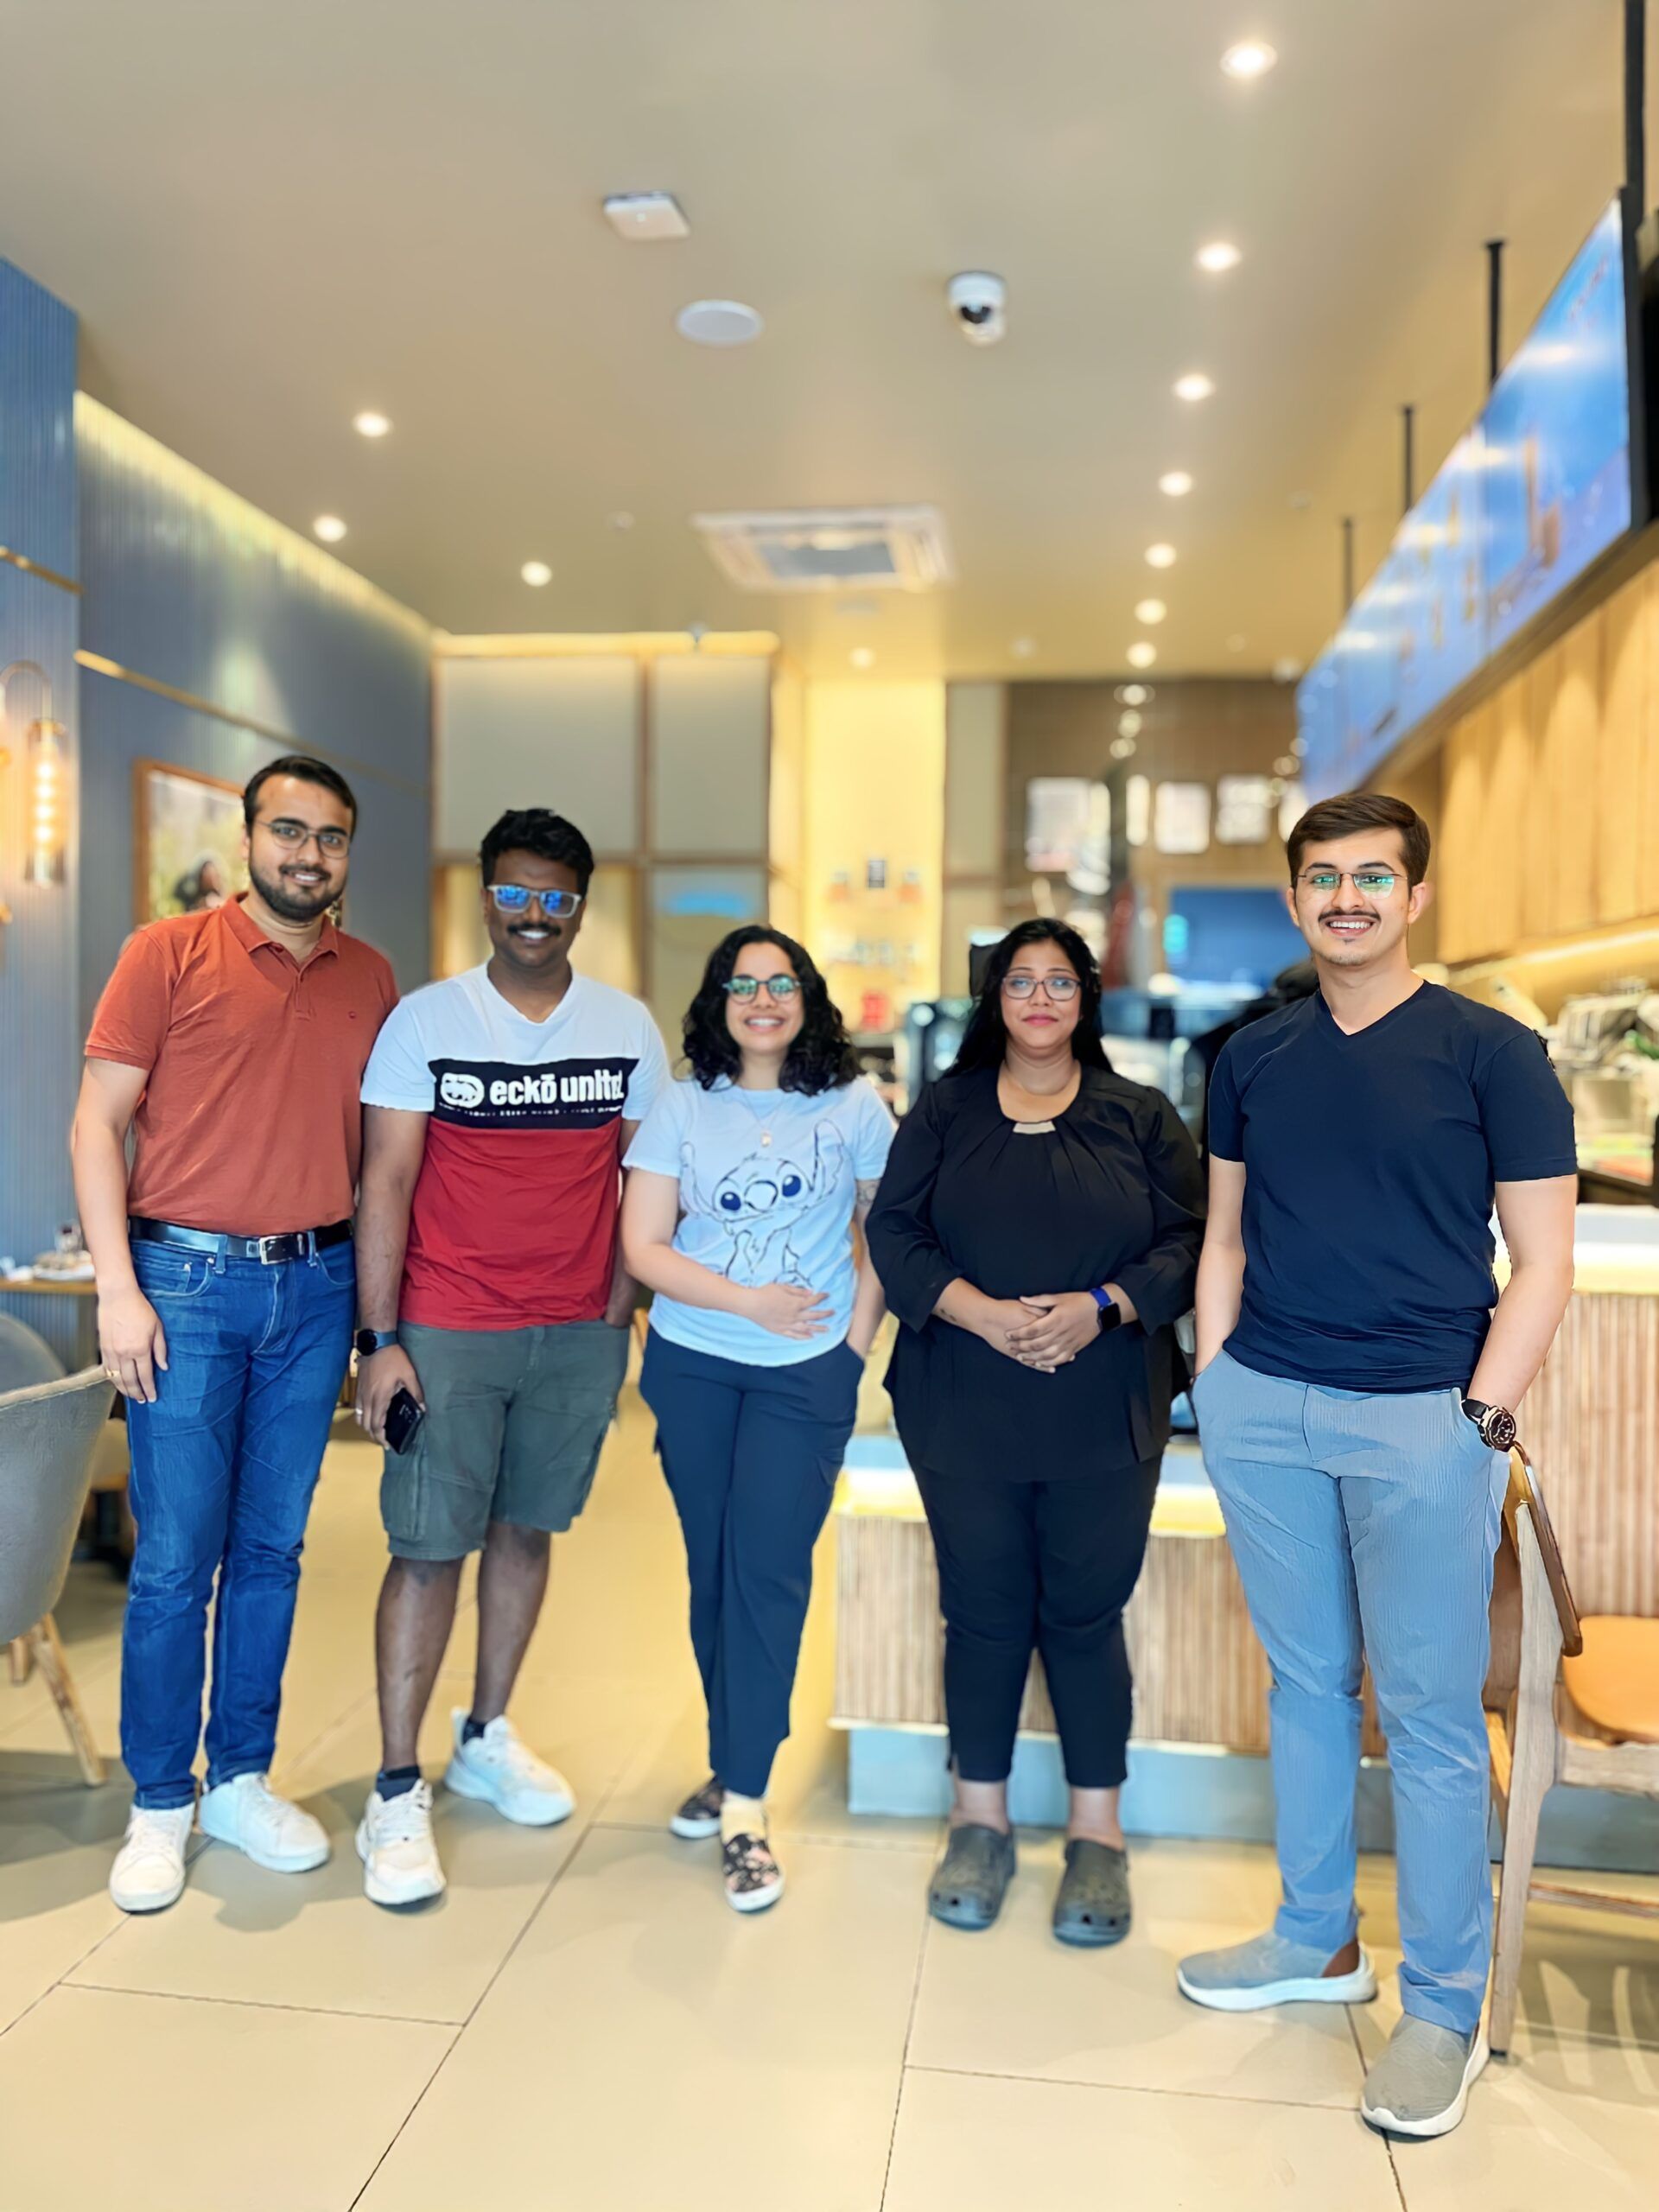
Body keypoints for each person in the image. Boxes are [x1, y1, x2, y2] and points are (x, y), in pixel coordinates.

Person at [1176, 792, 1577, 2141]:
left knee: (1430, 1718)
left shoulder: (1496, 1055)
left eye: (1372, 877)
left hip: (1423, 1419)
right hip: (1266, 1408)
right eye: (1320, 878)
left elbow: (1546, 1264)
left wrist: (1477, 1417)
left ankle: (1446, 2004)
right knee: (1301, 1682)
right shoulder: (1254, 1058)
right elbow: (1222, 1236)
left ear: (1414, 899)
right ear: (1294, 900)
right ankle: (1314, 1936)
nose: (1345, 898)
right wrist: (1218, 1382)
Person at [72, 755, 395, 1914]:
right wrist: (119, 1288)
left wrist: (375, 1321)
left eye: (332, 838)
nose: (310, 855)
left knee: (273, 1550)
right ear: (249, 837)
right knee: (172, 1562)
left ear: (349, 851)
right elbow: (97, 1123)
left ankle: (242, 1778)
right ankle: (161, 1800)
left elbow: (381, 1160)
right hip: (185, 1287)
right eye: (289, 832)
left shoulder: (371, 977)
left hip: (312, 1289)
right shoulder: (166, 955)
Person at [351, 807, 667, 1908]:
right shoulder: (427, 1021)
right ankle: (395, 1788)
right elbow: (383, 1181)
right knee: (428, 1546)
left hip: (576, 1331)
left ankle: (484, 1733)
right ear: (487, 896)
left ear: (582, 905)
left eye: (558, 897)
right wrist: (380, 1340)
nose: (535, 915)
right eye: (516, 893)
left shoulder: (626, 1027)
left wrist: (618, 1310)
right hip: (446, 1326)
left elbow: (646, 1180)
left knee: (527, 1530)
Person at [868, 919, 1203, 1943]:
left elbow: (1192, 1238)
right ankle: (980, 1819)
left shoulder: (1138, 1115)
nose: (1042, 999)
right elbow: (894, 1230)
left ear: (1086, 999)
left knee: (1085, 1617)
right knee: (981, 1614)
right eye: (1023, 981)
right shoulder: (945, 1109)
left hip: (1106, 1404)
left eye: (1061, 982)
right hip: (963, 1399)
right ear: (995, 998)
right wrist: (983, 1313)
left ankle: (1097, 1835)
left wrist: (1094, 1307)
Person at [620, 925, 893, 1912]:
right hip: (697, 1368)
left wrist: (849, 1348)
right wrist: (750, 1304)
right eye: (745, 985)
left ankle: (745, 1803)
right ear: (718, 1002)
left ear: (807, 997)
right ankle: (733, 1759)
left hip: (802, 1377)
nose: (763, 1000)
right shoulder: (682, 1106)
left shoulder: (854, 1105)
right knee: (712, 1572)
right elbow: (644, 1246)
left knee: (767, 1575)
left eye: (782, 984)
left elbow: (884, 1230)